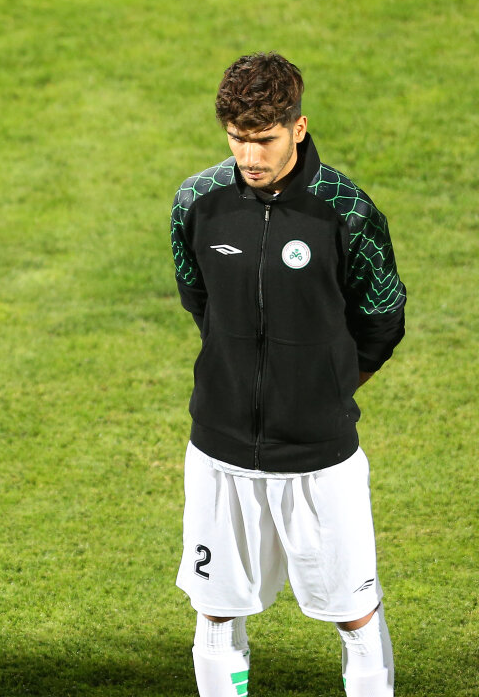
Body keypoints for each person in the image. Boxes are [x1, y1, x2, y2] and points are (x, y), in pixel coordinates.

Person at [170, 52, 406, 697]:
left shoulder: (346, 211)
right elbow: (199, 299)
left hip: (318, 457)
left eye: (266, 140)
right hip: (219, 450)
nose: (250, 156)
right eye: (237, 139)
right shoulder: (196, 201)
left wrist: (323, 386)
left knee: (355, 615)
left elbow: (382, 319)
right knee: (216, 612)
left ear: (298, 129)